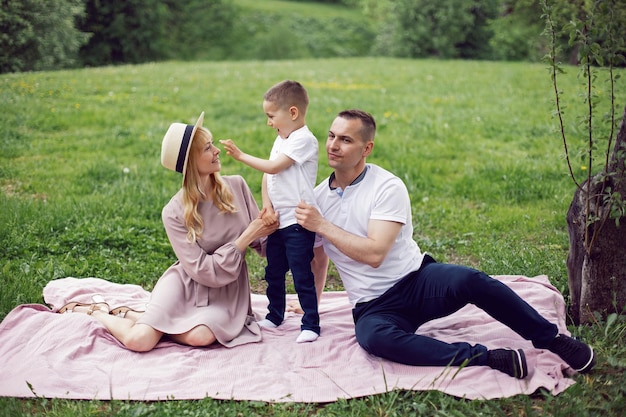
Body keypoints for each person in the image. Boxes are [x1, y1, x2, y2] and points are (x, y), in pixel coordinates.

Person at [294, 109, 596, 378]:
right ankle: (489, 358)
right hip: (373, 306)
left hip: (417, 281)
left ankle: (551, 339)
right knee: (374, 340)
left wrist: (322, 224)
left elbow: (374, 254)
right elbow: (318, 260)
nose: (333, 145)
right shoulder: (318, 200)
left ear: (367, 148)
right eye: (332, 136)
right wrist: (312, 309)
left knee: (471, 279)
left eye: (345, 140)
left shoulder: (387, 186)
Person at [57, 112, 278, 352]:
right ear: (191, 163)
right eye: (207, 148)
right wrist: (247, 236)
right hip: (184, 285)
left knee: (201, 336)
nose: (216, 151)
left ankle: (140, 316)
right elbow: (203, 270)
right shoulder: (173, 211)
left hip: (227, 294)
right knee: (139, 341)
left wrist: (275, 221)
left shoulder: (237, 185)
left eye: (212, 144)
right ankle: (97, 313)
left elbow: (265, 245)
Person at [220, 80, 320, 343]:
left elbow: (274, 167)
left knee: (301, 273)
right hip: (279, 221)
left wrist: (241, 156)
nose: (269, 123)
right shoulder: (282, 139)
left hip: (299, 220)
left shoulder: (304, 140)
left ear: (293, 113)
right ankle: (275, 315)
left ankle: (310, 323)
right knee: (274, 271)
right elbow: (268, 176)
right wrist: (267, 204)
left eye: (271, 116)